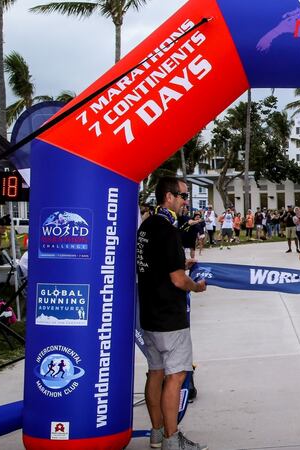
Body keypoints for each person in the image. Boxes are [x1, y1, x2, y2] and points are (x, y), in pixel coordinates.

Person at [136, 177, 208, 450]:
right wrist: (196, 287)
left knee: (155, 372)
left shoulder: (147, 226)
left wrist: (181, 261)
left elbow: (156, 263)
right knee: (176, 376)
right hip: (169, 315)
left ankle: (156, 433)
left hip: (150, 315)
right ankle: (171, 438)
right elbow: (178, 280)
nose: (185, 200)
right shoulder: (167, 229)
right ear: (168, 196)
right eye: (182, 195)